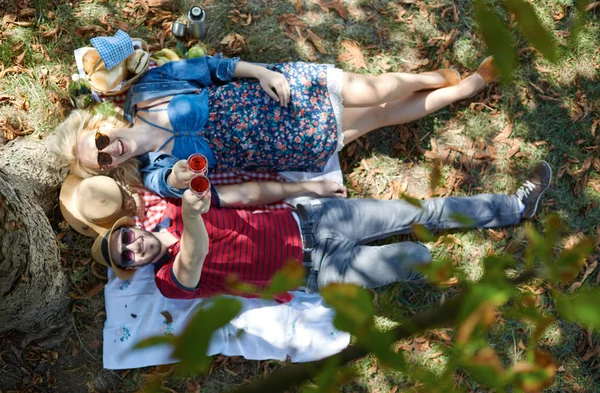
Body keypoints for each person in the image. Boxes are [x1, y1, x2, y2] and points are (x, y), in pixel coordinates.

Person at [87, 161, 551, 301]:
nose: (132, 247)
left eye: (125, 238)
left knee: (419, 210)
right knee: (416, 260)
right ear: (135, 265)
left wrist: (179, 187)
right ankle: (491, 283)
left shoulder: (169, 207)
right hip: (318, 270)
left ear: (133, 228)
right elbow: (193, 258)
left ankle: (513, 207)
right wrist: (191, 218)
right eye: (126, 255)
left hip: (313, 220)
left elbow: (168, 178)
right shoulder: (168, 282)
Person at [51, 55, 499, 198]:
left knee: (372, 89)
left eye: (102, 143)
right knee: (380, 115)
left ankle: (430, 79)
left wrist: (262, 72)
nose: (113, 152)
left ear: (101, 123)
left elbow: (213, 66)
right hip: (287, 142)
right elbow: (182, 188)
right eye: (105, 162)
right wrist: (179, 178)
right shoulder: (153, 174)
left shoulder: (147, 91)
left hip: (278, 93)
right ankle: (466, 88)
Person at [59, 173, 346, 237]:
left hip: (213, 194)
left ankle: (306, 189)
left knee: (231, 195)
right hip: (211, 221)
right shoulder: (142, 228)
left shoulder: (139, 174)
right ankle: (306, 190)